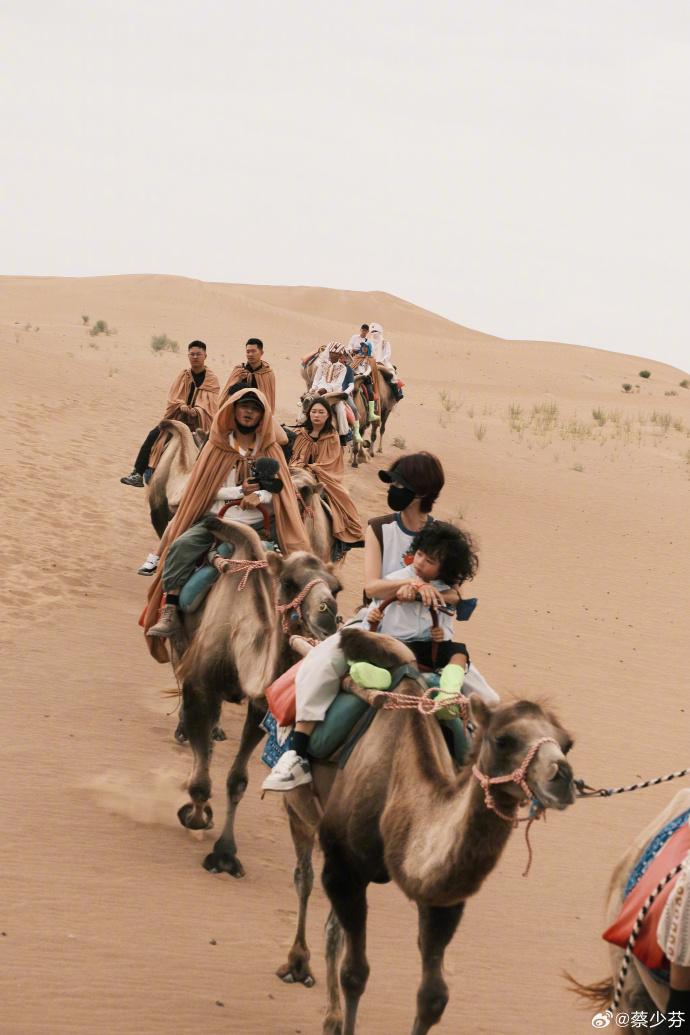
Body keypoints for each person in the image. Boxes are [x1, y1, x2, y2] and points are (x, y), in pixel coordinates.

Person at [262, 452, 497, 792]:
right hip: (379, 625)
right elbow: (372, 586)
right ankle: (297, 753)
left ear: (420, 491)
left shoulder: (442, 537)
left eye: (400, 485)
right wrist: (411, 586)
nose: (393, 489)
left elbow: (457, 595)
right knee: (322, 661)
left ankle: (493, 781)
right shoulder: (380, 528)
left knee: (491, 703)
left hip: (430, 638)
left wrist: (427, 592)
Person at [142, 388, 310, 657]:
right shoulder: (216, 448)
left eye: (254, 409)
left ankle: (302, 624)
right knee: (180, 546)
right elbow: (206, 489)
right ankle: (171, 609)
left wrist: (261, 495)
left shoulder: (270, 449)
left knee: (298, 564)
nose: (248, 412)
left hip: (259, 524)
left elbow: (281, 490)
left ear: (262, 416)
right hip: (220, 521)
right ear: (233, 410)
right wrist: (239, 493)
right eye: (244, 407)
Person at [121, 340, 220, 487]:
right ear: (188, 356)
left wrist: (197, 410)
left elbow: (211, 403)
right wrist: (180, 406)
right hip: (177, 418)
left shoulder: (212, 379)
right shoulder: (183, 376)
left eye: (198, 354)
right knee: (154, 435)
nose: (195, 357)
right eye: (192, 354)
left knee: (210, 449)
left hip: (200, 422)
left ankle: (209, 484)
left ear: (205, 355)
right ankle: (138, 473)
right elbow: (173, 397)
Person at [289, 398, 364, 558]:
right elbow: (293, 456)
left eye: (321, 412)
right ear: (309, 414)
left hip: (323, 479)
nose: (317, 415)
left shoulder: (332, 437)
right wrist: (296, 468)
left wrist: (310, 469)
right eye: (314, 412)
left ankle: (341, 543)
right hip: (295, 474)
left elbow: (329, 463)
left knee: (342, 501)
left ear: (328, 416)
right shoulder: (300, 434)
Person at [309, 342, 356, 444]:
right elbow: (317, 378)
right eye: (331, 354)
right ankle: (301, 425)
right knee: (306, 403)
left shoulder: (343, 368)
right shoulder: (323, 364)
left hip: (334, 393)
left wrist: (326, 390)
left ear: (339, 356)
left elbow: (337, 384)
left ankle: (344, 434)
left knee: (340, 409)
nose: (332, 356)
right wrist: (314, 388)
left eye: (334, 355)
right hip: (319, 390)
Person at [223, 338, 276, 413]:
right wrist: (239, 380)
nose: (250, 354)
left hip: (259, 411)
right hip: (239, 410)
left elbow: (269, 399)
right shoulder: (239, 370)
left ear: (261, 353)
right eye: (248, 352)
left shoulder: (268, 373)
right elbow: (227, 395)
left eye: (253, 351)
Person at [369, 322, 403, 401]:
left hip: (384, 362)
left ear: (380, 332)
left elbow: (388, 353)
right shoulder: (369, 342)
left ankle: (397, 393)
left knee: (392, 373)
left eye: (375, 331)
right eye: (372, 332)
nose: (374, 333)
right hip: (371, 362)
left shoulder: (385, 342)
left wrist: (381, 361)